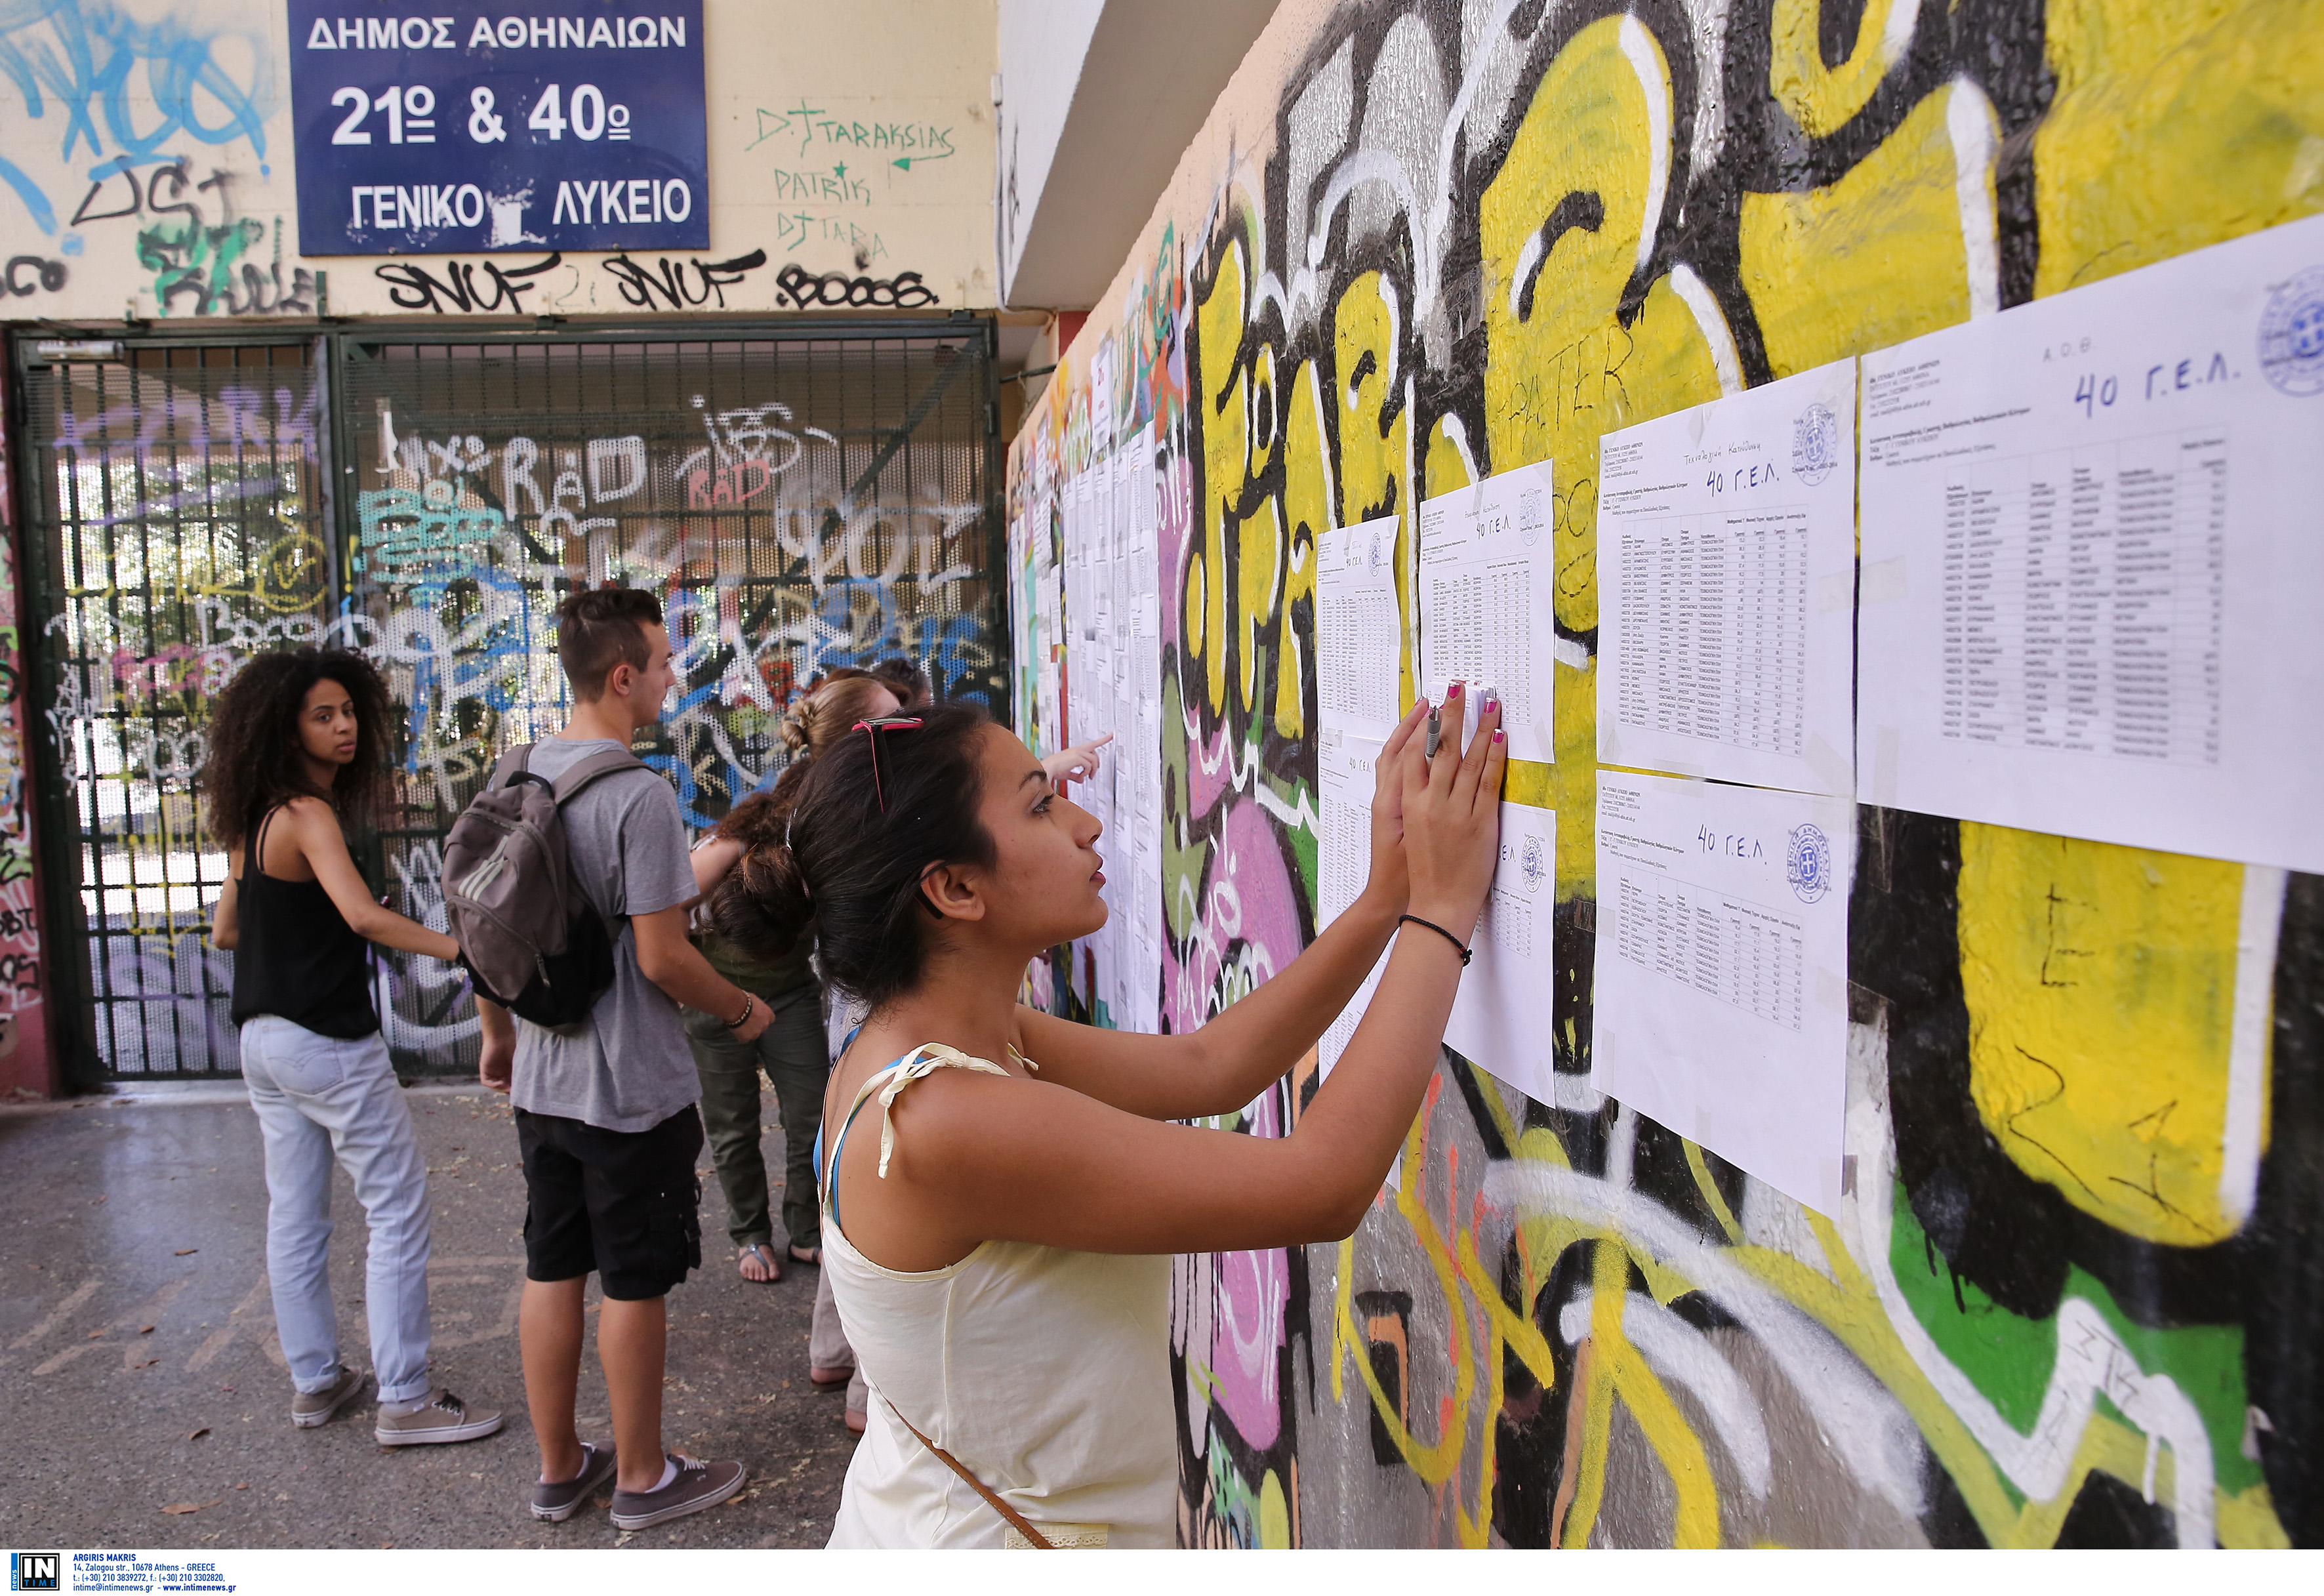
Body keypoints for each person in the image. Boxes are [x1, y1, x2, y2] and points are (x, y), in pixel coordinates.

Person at [713, 680, 1505, 1547]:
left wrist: (1385, 898)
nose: (1085, 824)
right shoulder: (945, 1117)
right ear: (953, 887)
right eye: (1041, 806)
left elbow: (1211, 1066)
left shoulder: (954, 1039)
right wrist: (1439, 912)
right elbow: (1322, 1184)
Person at [474, 585, 769, 1532]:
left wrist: (498, 1038)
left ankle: (561, 1467)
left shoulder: (516, 773)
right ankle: (642, 1475)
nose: (673, 674)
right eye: (662, 657)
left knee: (552, 1265)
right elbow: (662, 952)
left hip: (543, 1082)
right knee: (633, 1278)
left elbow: (483, 920)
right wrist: (740, 1010)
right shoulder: (634, 793)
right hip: (629, 1091)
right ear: (621, 675)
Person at [203, 648, 503, 1448]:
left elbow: (228, 930)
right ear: (283, 726)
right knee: (396, 1208)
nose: (343, 727)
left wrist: (322, 913)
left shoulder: (257, 819)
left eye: (347, 712)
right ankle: (404, 1398)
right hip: (327, 1042)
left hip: (263, 1046)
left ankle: (316, 1383)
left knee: (296, 1219)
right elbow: (365, 919)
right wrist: (461, 953)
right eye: (322, 715)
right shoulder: (308, 814)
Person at [686, 672, 901, 1286]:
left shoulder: (860, 804)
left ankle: (805, 1229)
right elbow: (664, 898)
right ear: (851, 737)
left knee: (814, 1115)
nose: (903, 727)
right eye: (888, 719)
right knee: (733, 1126)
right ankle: (750, 1234)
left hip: (787, 993)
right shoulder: (772, 815)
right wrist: (681, 973)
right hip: (719, 992)